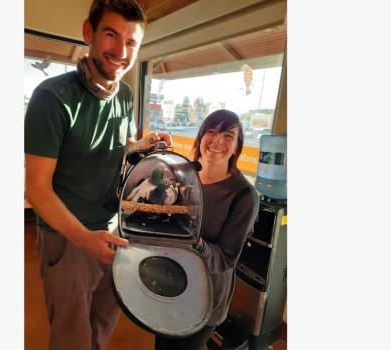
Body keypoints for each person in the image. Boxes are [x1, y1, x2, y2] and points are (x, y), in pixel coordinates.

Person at [24, 1, 172, 349]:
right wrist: (82, 237)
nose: (121, 52)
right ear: (89, 33)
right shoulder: (52, 98)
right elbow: (37, 188)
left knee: (105, 316)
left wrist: (141, 145)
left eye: (132, 42)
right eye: (111, 35)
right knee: (71, 333)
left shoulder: (125, 94)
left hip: (113, 228)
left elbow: (117, 147)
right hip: (68, 236)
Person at [154, 109, 259, 350]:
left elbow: (225, 259)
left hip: (205, 297)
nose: (218, 141)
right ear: (201, 137)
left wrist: (193, 242)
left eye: (228, 135)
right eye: (211, 131)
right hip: (170, 283)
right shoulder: (182, 177)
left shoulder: (244, 195)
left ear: (237, 147)